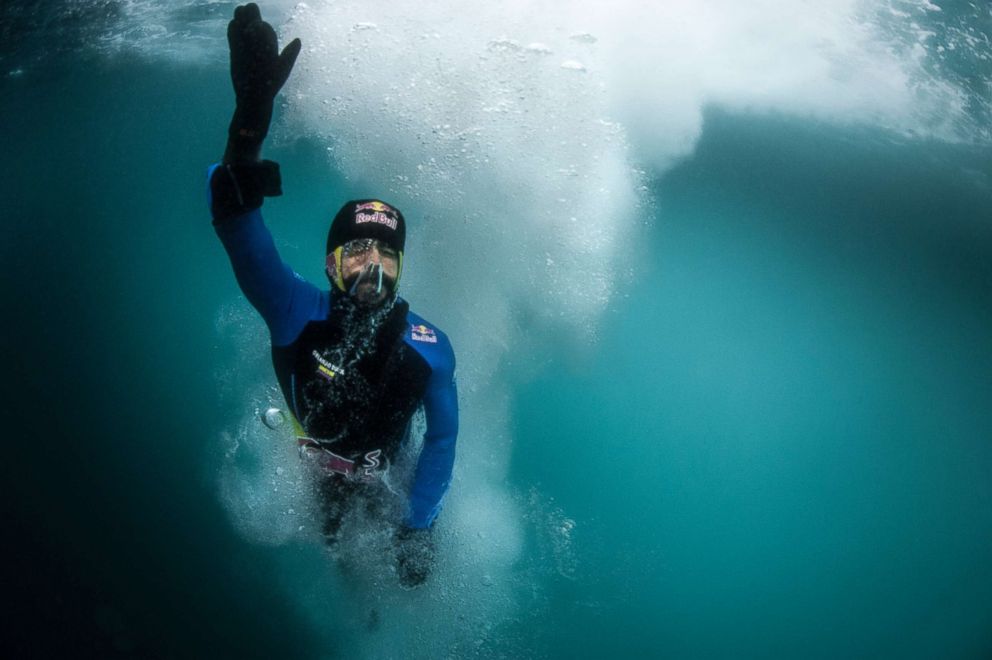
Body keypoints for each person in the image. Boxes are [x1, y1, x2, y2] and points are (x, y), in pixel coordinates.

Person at [207, 3, 458, 588]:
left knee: (378, 570)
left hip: (383, 483)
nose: (372, 267)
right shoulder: (292, 308)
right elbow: (235, 223)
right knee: (339, 559)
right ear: (330, 263)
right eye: (356, 252)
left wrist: (418, 525)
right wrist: (247, 130)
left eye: (385, 255)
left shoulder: (432, 349)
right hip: (315, 475)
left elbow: (442, 437)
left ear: (401, 267)